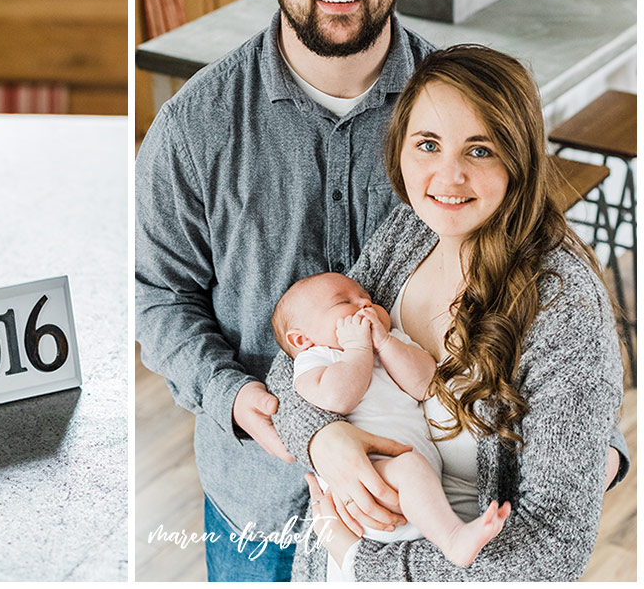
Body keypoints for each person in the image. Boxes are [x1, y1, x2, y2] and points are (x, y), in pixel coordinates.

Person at [135, 0, 628, 581]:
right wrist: (252, 408)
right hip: (259, 508)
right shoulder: (193, 126)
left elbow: (547, 316)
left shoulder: (453, 113)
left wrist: (582, 449)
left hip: (435, 527)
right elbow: (156, 297)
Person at [268, 45, 626, 580]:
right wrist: (325, 440)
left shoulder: (563, 304)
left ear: (520, 158)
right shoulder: (408, 233)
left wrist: (363, 559)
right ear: (400, 150)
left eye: (479, 150)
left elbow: (549, 554)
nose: (448, 176)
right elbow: (291, 362)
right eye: (428, 145)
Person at [273, 272, 509, 575]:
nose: (364, 304)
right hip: (369, 480)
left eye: (367, 299)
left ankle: (444, 535)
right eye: (344, 302)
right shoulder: (315, 358)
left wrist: (384, 342)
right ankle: (452, 539)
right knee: (410, 468)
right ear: (301, 338)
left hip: (413, 486)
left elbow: (425, 384)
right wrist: (357, 350)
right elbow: (338, 399)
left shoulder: (390, 342)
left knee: (413, 471)